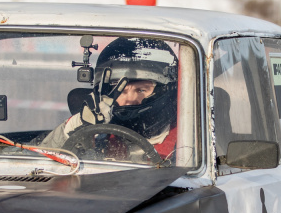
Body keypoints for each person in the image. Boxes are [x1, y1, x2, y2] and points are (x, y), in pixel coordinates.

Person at [43, 37, 179, 160]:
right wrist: (73, 128)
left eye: (141, 90)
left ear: (167, 89)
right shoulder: (95, 134)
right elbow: (40, 161)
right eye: (120, 91)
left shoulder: (187, 138)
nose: (128, 100)